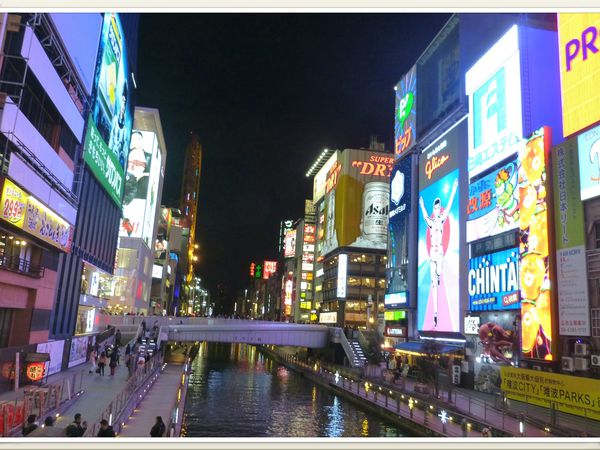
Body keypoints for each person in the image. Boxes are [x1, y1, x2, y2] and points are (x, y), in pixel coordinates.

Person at [418, 178, 458, 328]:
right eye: (435, 207)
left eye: (438, 207)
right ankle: (435, 313)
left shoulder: (441, 219)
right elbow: (423, 215)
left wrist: (454, 189)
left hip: (439, 251)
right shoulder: (430, 221)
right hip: (432, 255)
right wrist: (422, 205)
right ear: (433, 209)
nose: (437, 209)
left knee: (438, 274)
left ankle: (439, 276)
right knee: (434, 282)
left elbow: (449, 205)